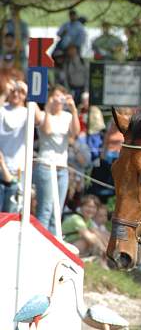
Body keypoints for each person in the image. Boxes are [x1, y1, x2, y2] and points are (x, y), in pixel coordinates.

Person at [33, 85, 80, 234]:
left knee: (56, 212)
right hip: (45, 165)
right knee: (45, 209)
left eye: (62, 97)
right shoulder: (42, 114)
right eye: (56, 97)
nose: (59, 101)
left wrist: (74, 110)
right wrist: (48, 108)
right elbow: (46, 130)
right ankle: (40, 244)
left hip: (62, 168)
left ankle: (53, 245)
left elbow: (75, 133)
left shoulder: (67, 116)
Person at [0, 80, 40, 212]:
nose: (16, 94)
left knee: (12, 210)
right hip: (1, 166)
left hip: (18, 168)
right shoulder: (3, 109)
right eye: (13, 91)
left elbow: (39, 120)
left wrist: (30, 95)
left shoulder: (26, 112)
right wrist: (5, 93)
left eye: (20, 92)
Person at [62, 194, 108, 264]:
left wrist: (106, 247)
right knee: (85, 241)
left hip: (71, 245)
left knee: (98, 236)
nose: (91, 210)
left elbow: (98, 234)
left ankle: (90, 259)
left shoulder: (88, 221)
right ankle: (76, 258)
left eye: (94, 207)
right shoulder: (76, 218)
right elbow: (90, 238)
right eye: (88, 206)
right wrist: (103, 249)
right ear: (81, 207)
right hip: (62, 246)